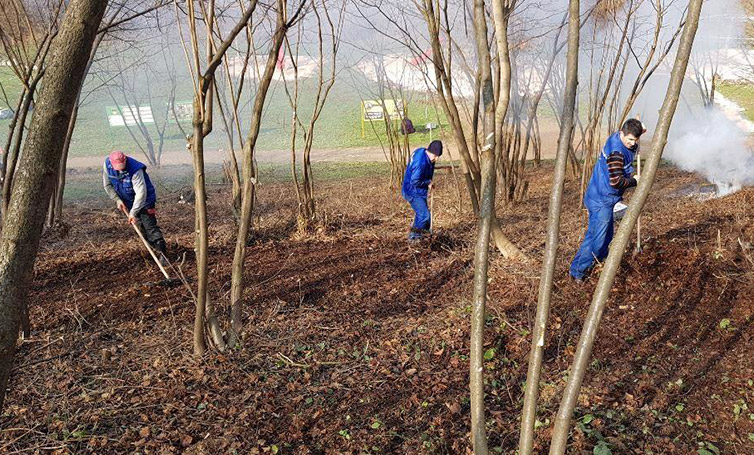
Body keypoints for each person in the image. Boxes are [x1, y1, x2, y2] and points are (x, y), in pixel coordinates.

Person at [569, 119, 645, 281]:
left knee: (607, 234)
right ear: (622, 134)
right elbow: (616, 181)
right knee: (596, 239)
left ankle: (600, 260)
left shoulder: (618, 136)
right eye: (629, 139)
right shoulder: (615, 153)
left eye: (635, 140)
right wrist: (635, 181)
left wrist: (640, 130)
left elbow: (633, 133)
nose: (632, 143)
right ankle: (577, 272)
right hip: (601, 199)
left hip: (604, 196)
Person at [103, 150, 168, 260]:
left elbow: (141, 193)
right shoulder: (106, 165)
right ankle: (154, 250)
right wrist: (117, 200)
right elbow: (107, 185)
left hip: (145, 200)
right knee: (141, 229)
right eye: (117, 167)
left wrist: (133, 212)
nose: (121, 169)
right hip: (128, 201)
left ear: (125, 160)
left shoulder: (135, 169)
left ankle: (163, 254)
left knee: (149, 226)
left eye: (122, 166)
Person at [402, 140, 442, 241]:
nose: (436, 159)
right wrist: (428, 182)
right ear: (430, 152)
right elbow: (415, 181)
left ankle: (420, 236)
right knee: (424, 216)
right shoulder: (421, 163)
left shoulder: (422, 152)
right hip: (412, 191)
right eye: (435, 155)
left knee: (421, 214)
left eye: (438, 156)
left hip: (418, 191)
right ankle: (415, 239)